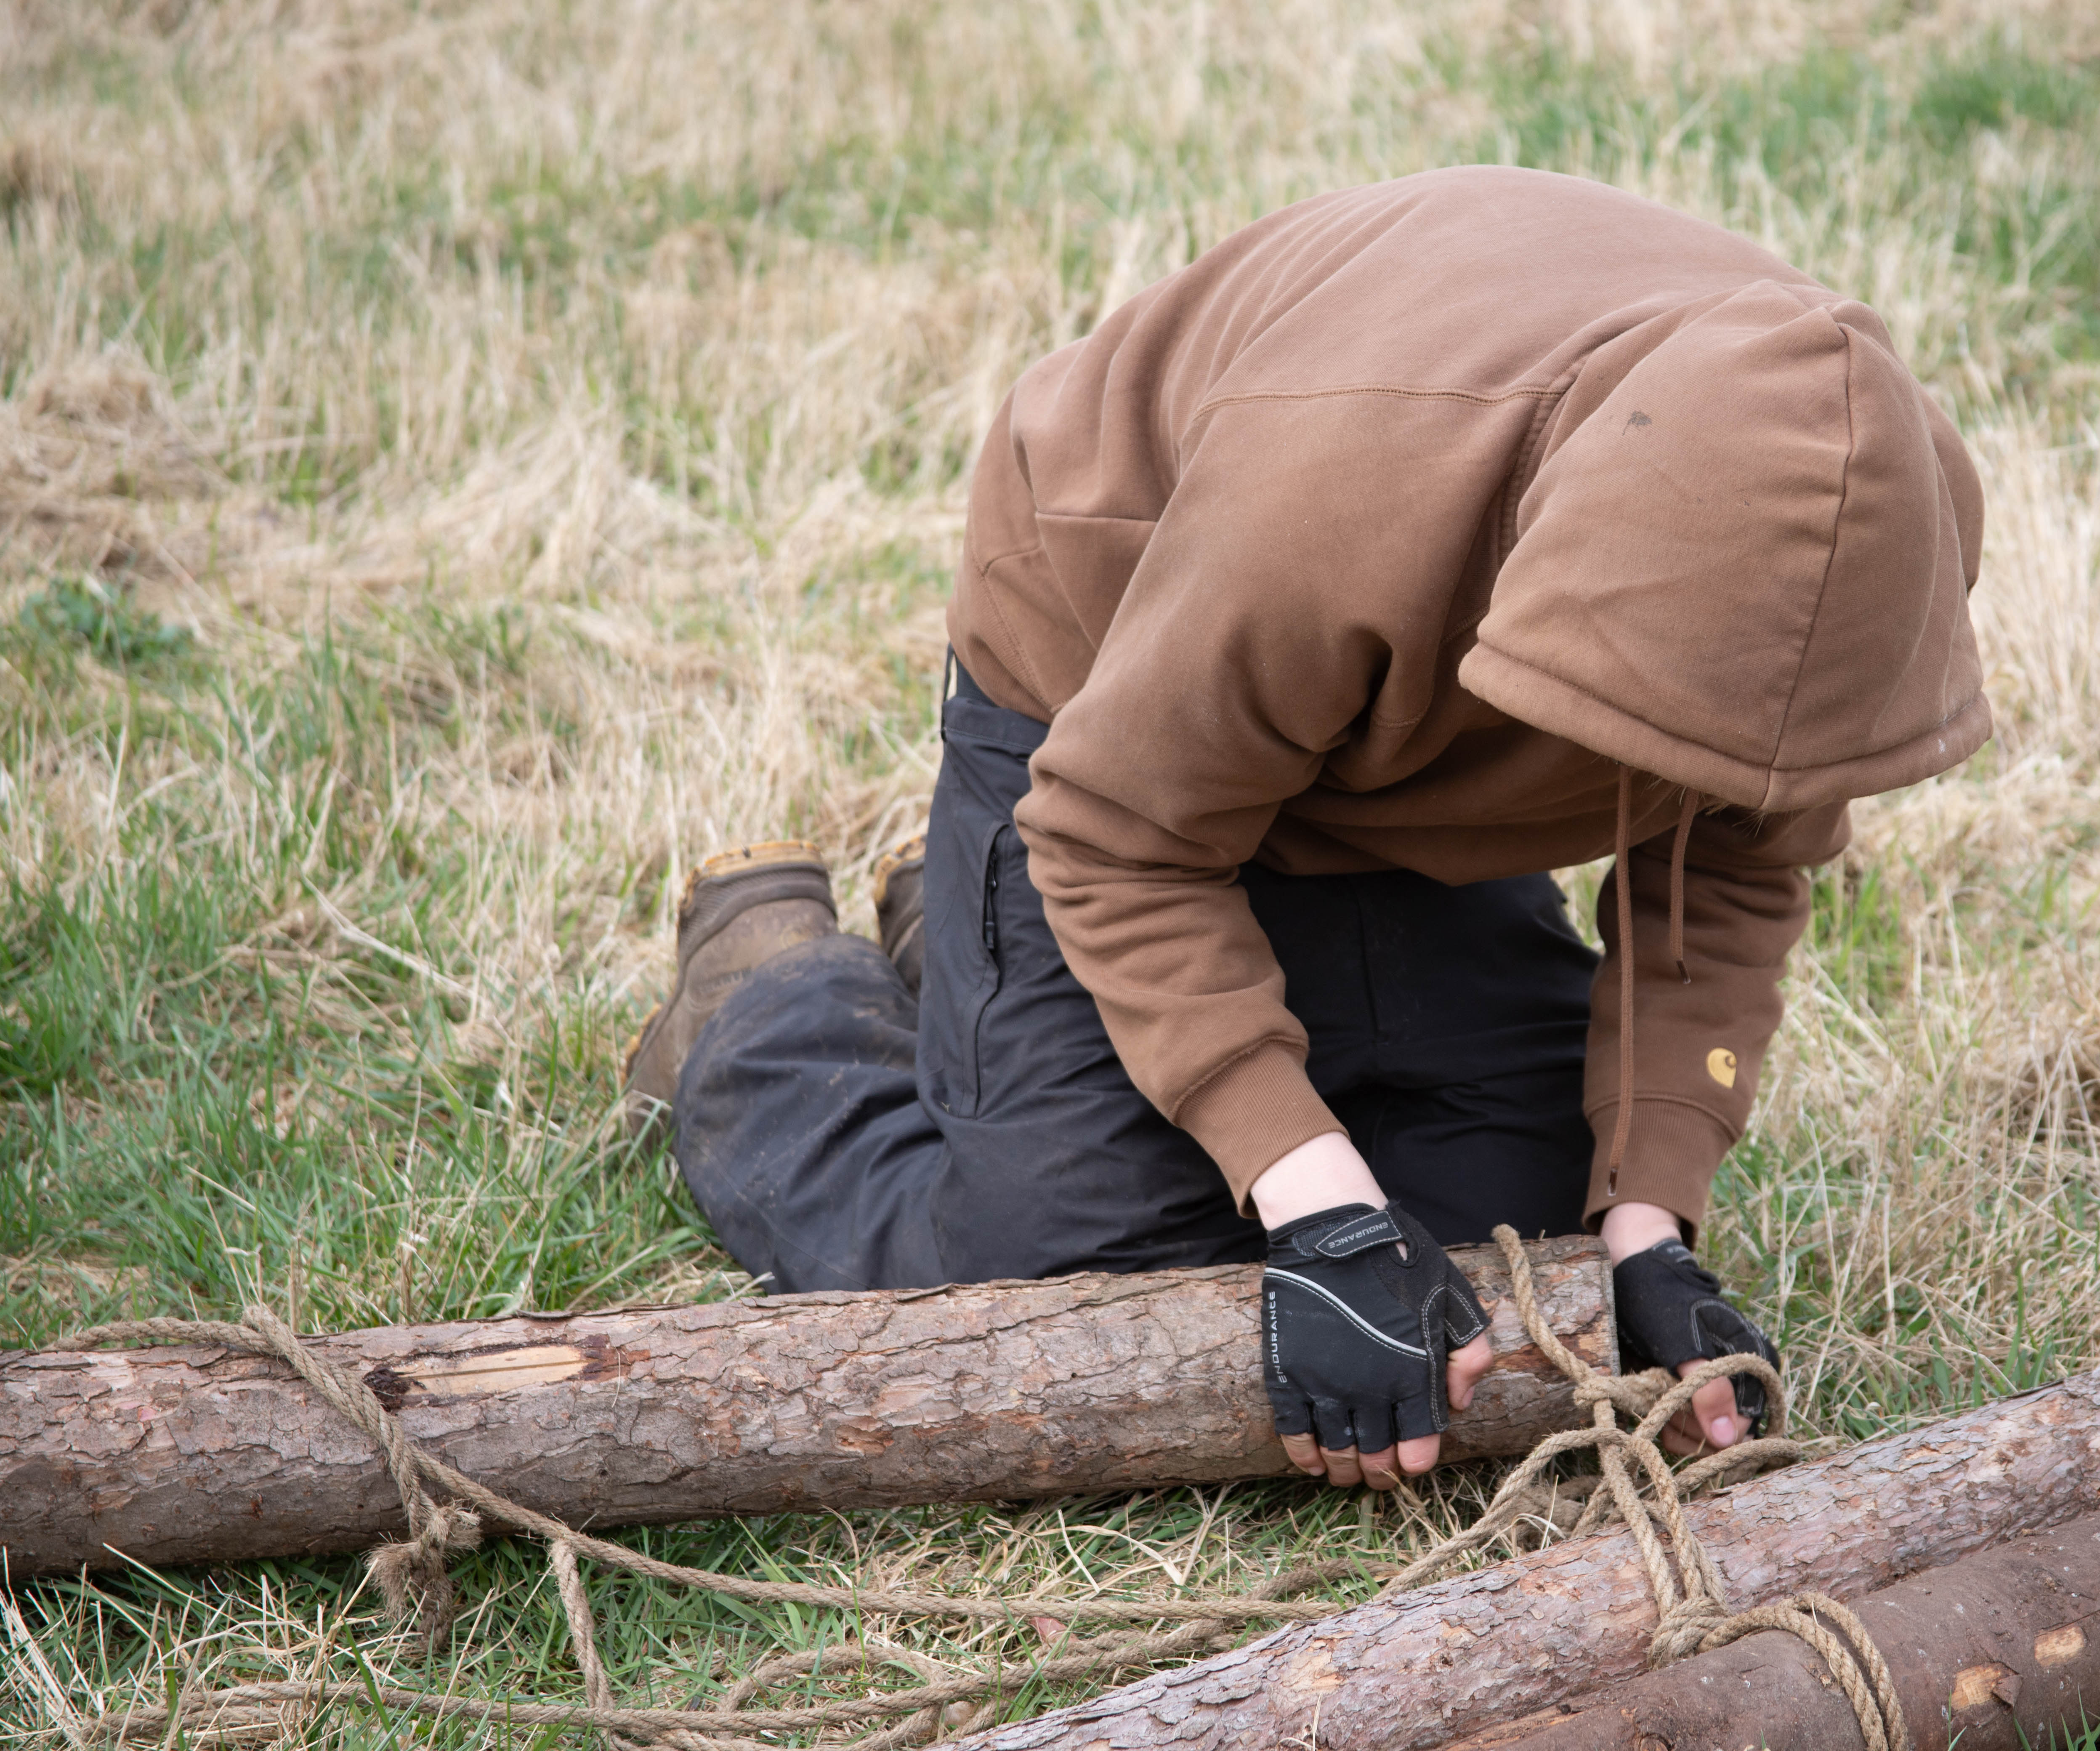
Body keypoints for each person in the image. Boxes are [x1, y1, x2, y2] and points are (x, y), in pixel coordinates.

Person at [623, 166, 1987, 1493]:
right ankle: (768, 996)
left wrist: (1648, 1226)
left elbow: (1729, 874)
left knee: (1510, 1238)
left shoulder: (1845, 529)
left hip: (1397, 762)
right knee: (1079, 1278)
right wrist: (1320, 1207)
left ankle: (976, 948)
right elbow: (1116, 833)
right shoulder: (1340, 489)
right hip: (1115, 720)